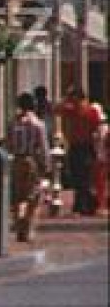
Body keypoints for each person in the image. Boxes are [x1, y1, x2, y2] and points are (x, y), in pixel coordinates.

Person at [6, 92, 49, 245]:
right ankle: (27, 225)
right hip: (31, 160)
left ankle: (19, 224)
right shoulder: (37, 124)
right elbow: (43, 146)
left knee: (17, 195)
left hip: (16, 159)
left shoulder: (13, 122)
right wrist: (45, 165)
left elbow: (8, 144)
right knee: (33, 195)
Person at [57, 85, 104, 215]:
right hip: (79, 146)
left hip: (84, 146)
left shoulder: (88, 110)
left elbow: (97, 129)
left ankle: (84, 204)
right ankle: (83, 204)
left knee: (83, 177)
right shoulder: (77, 109)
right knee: (79, 176)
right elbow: (58, 109)